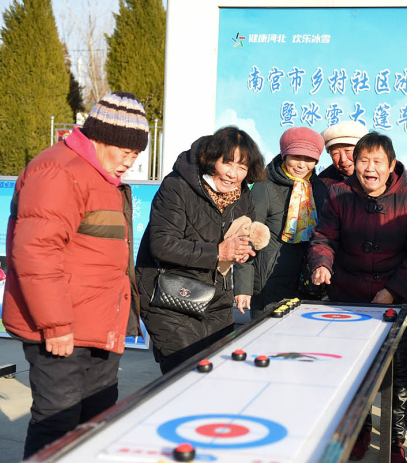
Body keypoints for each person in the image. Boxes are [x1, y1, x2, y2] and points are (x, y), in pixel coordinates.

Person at [2, 92, 148, 463]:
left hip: (98, 329)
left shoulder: (101, 177)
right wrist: (56, 324)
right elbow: (36, 252)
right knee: (57, 427)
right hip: (62, 332)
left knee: (94, 424)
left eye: (137, 151)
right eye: (124, 148)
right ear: (98, 137)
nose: (130, 159)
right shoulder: (58, 170)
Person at [309, 132, 407, 463]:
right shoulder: (339, 195)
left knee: (397, 371)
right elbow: (324, 237)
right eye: (363, 161)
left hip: (395, 299)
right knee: (352, 370)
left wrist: (392, 291)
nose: (369, 168)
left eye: (378, 162)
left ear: (391, 165)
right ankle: (359, 431)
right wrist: (321, 263)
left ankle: (394, 441)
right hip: (348, 298)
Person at [135, 126, 264, 374]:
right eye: (228, 163)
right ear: (211, 158)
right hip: (169, 298)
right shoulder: (177, 186)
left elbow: (240, 239)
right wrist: (218, 253)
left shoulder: (242, 196)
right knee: (186, 375)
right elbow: (162, 244)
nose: (233, 174)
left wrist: (242, 251)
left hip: (217, 299)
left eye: (242, 167)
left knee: (218, 373)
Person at [235, 127, 328, 318]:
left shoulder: (319, 189)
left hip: (308, 284)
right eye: (296, 157)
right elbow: (246, 237)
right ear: (284, 155)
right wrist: (243, 286)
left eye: (309, 159)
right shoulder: (264, 186)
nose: (302, 165)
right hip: (270, 285)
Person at [318, 120, 368, 187]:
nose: (343, 159)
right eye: (335, 153)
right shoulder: (323, 182)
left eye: (348, 150)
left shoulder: (380, 174)